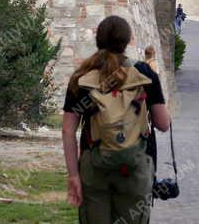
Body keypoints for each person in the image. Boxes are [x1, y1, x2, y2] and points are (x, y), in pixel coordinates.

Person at [62, 15, 170, 223]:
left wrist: (73, 175)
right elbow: (163, 124)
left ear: (98, 40)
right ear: (128, 40)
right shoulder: (144, 74)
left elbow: (68, 131)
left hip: (94, 165)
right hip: (135, 165)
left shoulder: (82, 77)